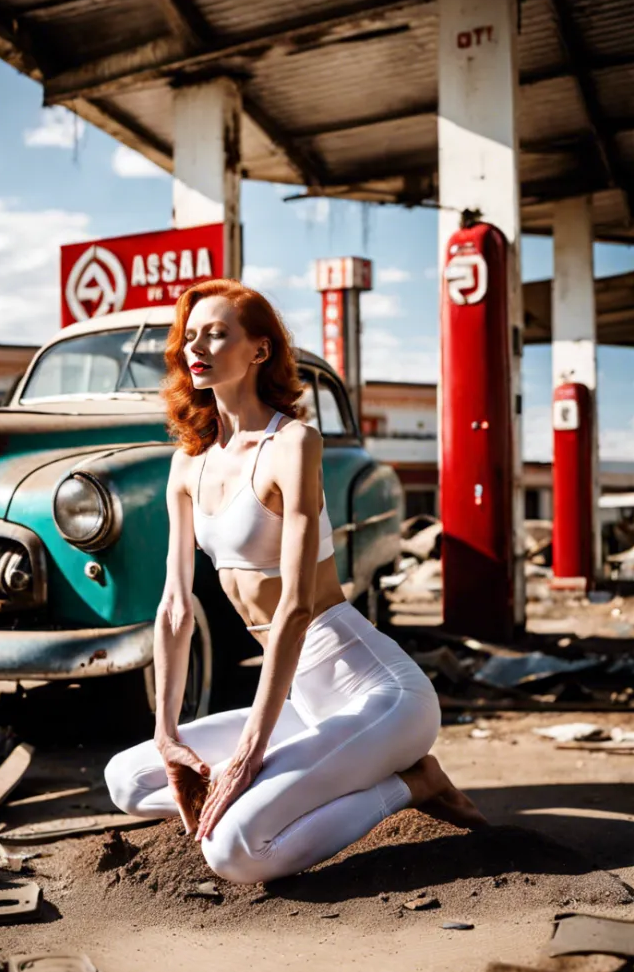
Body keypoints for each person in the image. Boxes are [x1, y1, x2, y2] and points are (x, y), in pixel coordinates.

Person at [105, 280, 486, 884]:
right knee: (128, 779)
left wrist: (251, 753)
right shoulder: (187, 464)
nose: (196, 346)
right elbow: (175, 607)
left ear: (259, 351)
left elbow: (296, 604)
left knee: (234, 852)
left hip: (378, 695)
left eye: (217, 332)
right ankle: (310, 780)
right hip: (302, 702)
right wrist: (167, 733)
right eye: (191, 334)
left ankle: (413, 782)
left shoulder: (293, 444)